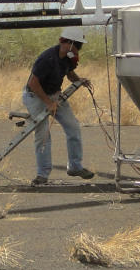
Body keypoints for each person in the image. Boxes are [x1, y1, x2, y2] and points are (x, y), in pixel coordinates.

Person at [22, 26, 95, 186]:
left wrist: (79, 80)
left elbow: (68, 73)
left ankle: (75, 166)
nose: (78, 50)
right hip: (35, 96)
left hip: (54, 95)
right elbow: (33, 83)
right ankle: (42, 175)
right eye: (78, 45)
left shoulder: (69, 58)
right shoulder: (47, 59)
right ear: (68, 43)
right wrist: (48, 103)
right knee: (44, 135)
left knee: (73, 128)